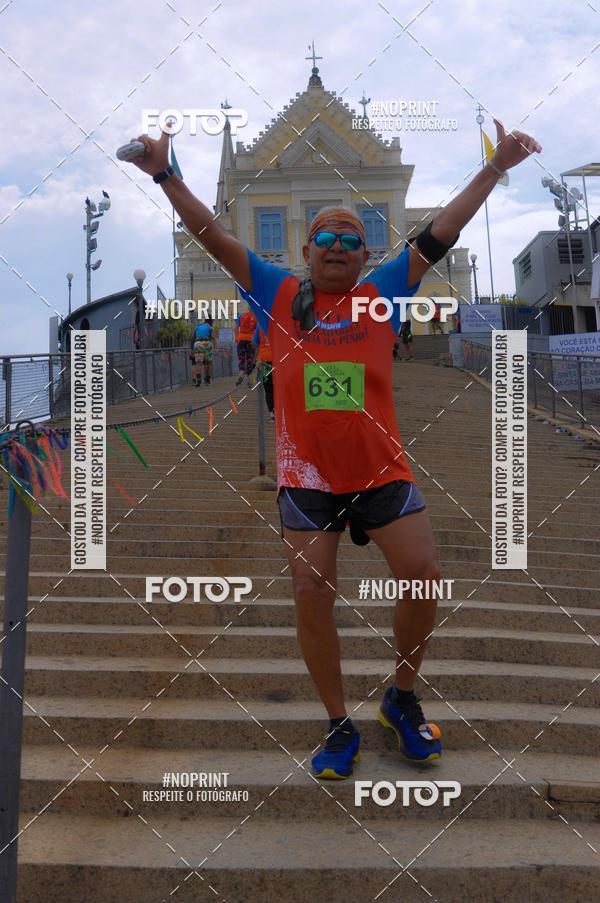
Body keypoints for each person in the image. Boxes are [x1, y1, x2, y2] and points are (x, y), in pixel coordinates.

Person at [130, 117, 541, 780]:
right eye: (325, 235)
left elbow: (442, 233)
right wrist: (165, 175)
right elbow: (215, 234)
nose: (339, 245)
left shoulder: (381, 296)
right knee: (310, 588)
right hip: (308, 476)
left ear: (362, 252)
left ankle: (401, 697)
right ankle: (337, 722)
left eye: (353, 238)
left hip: (381, 469)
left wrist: (497, 167)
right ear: (306, 245)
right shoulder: (279, 293)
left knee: (424, 573)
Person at [253, 324, 275, 420]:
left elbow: (254, 343)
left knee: (268, 388)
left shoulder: (260, 325)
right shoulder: (279, 322)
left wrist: (257, 357)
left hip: (264, 360)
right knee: (279, 387)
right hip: (278, 359)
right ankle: (279, 410)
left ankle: (271, 412)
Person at [235, 307, 257, 385]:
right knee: (250, 360)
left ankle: (241, 373)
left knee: (241, 359)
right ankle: (249, 381)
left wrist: (236, 338)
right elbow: (257, 330)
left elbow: (236, 327)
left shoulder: (241, 315)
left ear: (248, 308)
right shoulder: (256, 317)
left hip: (241, 339)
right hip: (251, 340)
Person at [190, 317, 214, 386]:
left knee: (198, 363)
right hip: (207, 343)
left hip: (197, 343)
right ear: (210, 322)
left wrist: (191, 348)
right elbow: (213, 338)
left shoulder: (197, 327)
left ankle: (198, 380)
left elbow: (192, 338)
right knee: (208, 363)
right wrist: (214, 347)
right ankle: (207, 380)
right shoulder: (210, 328)